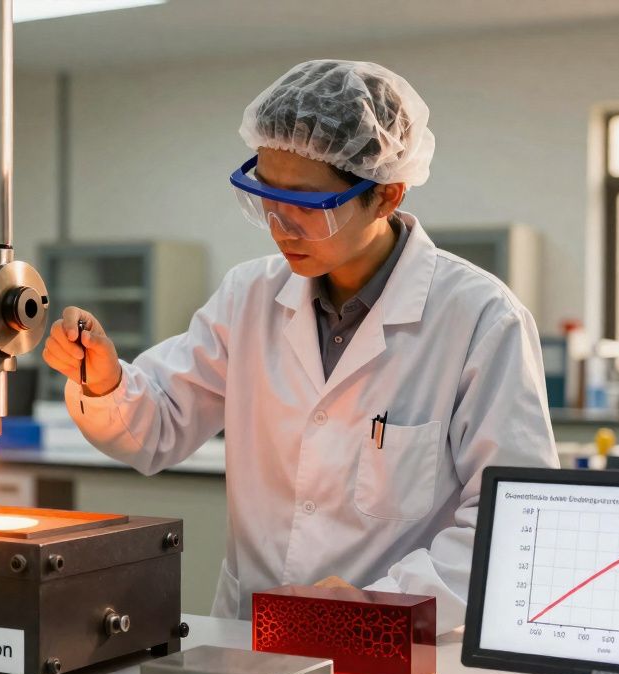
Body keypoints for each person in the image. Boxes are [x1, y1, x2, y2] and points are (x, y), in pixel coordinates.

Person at [42, 59, 558, 634]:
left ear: (386, 195)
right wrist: (107, 381)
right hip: (253, 632)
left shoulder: (479, 318)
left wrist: (387, 603)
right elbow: (157, 427)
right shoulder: (250, 295)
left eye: (308, 205)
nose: (280, 226)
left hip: (400, 646)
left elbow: (515, 519)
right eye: (265, 194)